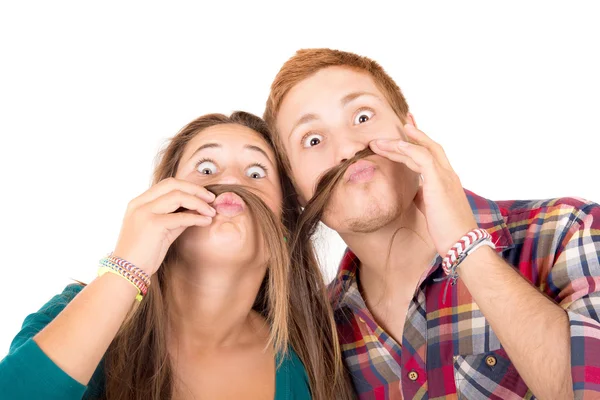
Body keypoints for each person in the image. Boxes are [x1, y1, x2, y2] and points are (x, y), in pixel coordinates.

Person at [263, 48, 600, 399]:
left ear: (410, 129)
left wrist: (467, 246)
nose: (347, 148)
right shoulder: (318, 335)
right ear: (295, 190)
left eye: (362, 117)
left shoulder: (567, 231)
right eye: (313, 140)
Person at [0, 112, 354, 400]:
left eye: (256, 173)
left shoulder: (312, 361)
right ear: (165, 205)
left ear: (283, 227)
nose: (230, 179)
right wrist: (127, 266)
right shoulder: (76, 314)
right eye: (205, 169)